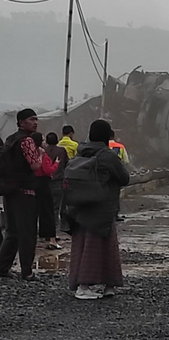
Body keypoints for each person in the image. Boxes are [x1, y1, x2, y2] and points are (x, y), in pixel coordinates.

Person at [68, 120, 129, 299]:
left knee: (82, 247)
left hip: (79, 207)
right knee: (105, 247)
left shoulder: (80, 152)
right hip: (102, 208)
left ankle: (83, 284)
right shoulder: (107, 155)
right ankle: (102, 286)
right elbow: (124, 178)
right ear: (107, 136)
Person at [0, 109, 42, 280]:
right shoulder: (27, 141)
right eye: (31, 119)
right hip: (25, 190)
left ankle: (2, 267)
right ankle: (27, 271)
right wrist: (40, 154)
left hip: (9, 189)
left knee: (12, 231)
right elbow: (35, 166)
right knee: (27, 232)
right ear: (21, 122)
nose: (35, 122)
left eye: (36, 119)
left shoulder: (10, 139)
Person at [31, 132, 62, 250]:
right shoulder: (42, 154)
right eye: (42, 140)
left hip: (32, 184)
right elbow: (47, 170)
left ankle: (34, 238)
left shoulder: (29, 154)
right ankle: (52, 240)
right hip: (43, 184)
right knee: (48, 212)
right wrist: (56, 164)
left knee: (33, 212)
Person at [45, 132, 68, 232]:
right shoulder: (61, 151)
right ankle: (56, 229)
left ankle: (46, 229)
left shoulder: (43, 151)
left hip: (45, 182)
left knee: (46, 206)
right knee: (58, 206)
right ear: (57, 140)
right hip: (58, 181)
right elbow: (67, 163)